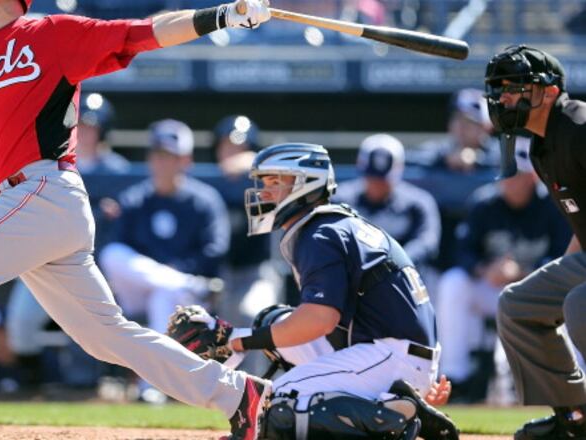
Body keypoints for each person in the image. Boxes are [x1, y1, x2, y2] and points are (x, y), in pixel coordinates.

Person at [0, 1, 273, 439]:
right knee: (107, 336)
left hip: (43, 188)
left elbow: (144, 32)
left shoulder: (50, 33)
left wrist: (221, 15)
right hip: (34, 204)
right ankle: (240, 395)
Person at [168, 143, 456, 440]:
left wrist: (237, 340)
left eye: (274, 182)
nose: (264, 192)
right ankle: (390, 400)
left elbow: (320, 320)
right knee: (272, 321)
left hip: (392, 356)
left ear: (303, 184)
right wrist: (241, 338)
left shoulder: (320, 232)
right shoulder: (329, 224)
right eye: (264, 183)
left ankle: (392, 415)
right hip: (390, 352)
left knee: (271, 410)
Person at [485, 44, 586, 439]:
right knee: (518, 304)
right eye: (500, 89)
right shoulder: (541, 146)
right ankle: (575, 419)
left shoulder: (579, 127)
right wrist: (558, 275)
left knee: (581, 304)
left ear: (549, 92)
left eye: (515, 87)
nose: (505, 98)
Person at [436, 139, 570, 402]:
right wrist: (483, 268)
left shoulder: (551, 207)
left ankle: (565, 385)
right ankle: (455, 377)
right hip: (490, 287)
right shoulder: (484, 203)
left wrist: (524, 272)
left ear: (533, 177)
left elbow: (565, 256)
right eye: (505, 175)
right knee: (453, 283)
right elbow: (461, 251)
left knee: (570, 295)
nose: (509, 181)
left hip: (533, 291)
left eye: (516, 175)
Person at [99, 119, 229, 337]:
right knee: (112, 255)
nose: (163, 163)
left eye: (170, 157)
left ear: (186, 160)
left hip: (188, 298)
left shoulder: (205, 200)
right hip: (150, 289)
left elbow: (215, 250)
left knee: (164, 294)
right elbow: (119, 247)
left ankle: (152, 372)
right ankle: (183, 284)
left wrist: (177, 269)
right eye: (158, 155)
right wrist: (169, 276)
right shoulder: (136, 199)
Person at [334, 134, 441, 280]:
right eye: (372, 178)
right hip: (352, 278)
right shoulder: (340, 201)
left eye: (383, 181)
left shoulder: (418, 203)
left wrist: (393, 263)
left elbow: (427, 243)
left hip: (403, 279)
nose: (377, 185)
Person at [212, 115, 282, 328]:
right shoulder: (207, 186)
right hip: (218, 276)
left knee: (255, 315)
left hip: (257, 274)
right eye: (227, 147)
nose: (233, 155)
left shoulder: (265, 184)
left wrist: (252, 162)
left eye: (241, 148)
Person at [409, 88, 499, 173]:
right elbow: (409, 158)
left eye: (470, 121)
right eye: (457, 118)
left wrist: (477, 159)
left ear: (487, 126)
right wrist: (445, 159)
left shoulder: (500, 153)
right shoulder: (439, 150)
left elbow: (509, 163)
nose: (461, 126)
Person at [75, 92, 130, 175]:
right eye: (81, 124)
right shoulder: (60, 165)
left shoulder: (116, 167)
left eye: (91, 127)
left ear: (102, 131)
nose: (84, 131)